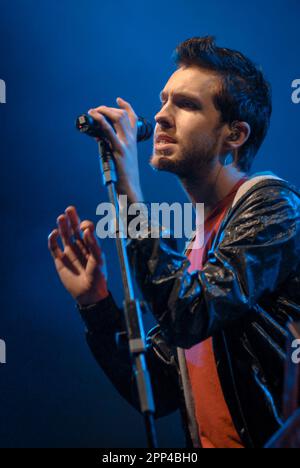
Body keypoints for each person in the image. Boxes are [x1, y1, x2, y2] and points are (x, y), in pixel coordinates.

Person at [48, 36, 300, 448]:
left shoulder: (274, 206)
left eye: (186, 104)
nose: (161, 117)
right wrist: (95, 304)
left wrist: (129, 186)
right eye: (164, 101)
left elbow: (190, 313)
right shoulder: (197, 245)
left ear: (234, 134)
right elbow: (156, 389)